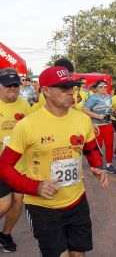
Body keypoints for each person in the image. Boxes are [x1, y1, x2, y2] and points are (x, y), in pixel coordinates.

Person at [0, 66, 108, 257]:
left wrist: (97, 167)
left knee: (79, 254)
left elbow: (90, 148)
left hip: (77, 201)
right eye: (63, 88)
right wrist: (35, 187)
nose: (70, 92)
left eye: (72, 87)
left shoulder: (82, 120)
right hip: (44, 207)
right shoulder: (28, 125)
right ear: (46, 91)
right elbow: (4, 165)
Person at [0, 68, 32, 252]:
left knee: (18, 201)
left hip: (20, 165)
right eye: (8, 86)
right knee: (5, 203)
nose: (13, 89)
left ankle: (5, 234)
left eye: (16, 86)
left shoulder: (24, 105)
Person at [83, 79, 116, 174]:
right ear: (96, 88)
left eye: (105, 86)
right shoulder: (93, 98)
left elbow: (109, 109)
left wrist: (114, 111)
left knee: (109, 144)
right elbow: (85, 110)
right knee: (98, 146)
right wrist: (97, 116)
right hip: (97, 125)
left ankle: (109, 164)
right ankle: (98, 164)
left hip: (108, 124)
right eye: (101, 86)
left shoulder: (109, 97)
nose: (103, 88)